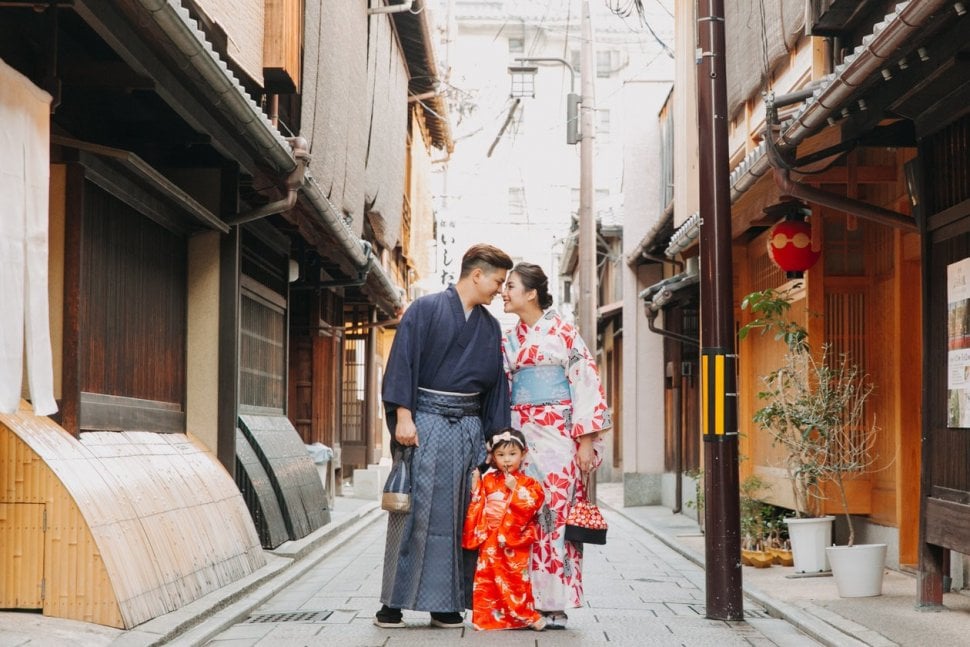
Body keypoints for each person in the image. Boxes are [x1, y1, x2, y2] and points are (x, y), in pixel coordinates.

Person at [375, 244, 514, 629]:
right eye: (498, 281)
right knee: (414, 511)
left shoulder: (489, 327)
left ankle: (447, 603)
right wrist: (403, 414)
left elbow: (496, 388)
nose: (500, 290)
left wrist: (495, 437)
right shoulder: (425, 309)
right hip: (426, 422)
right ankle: (392, 602)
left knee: (461, 518)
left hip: (468, 428)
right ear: (476, 275)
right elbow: (402, 360)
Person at [501, 262, 611, 629]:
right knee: (520, 514)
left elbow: (585, 384)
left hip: (558, 437)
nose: (504, 292)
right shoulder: (508, 339)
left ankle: (555, 604)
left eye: (511, 286)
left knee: (557, 517)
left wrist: (584, 442)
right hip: (518, 440)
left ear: (531, 293)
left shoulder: (563, 332)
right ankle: (523, 600)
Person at [462, 428, 547, 631]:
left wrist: (516, 489)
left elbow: (534, 503)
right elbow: (479, 503)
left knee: (515, 580)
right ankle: (488, 619)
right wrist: (476, 487)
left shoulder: (529, 483)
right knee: (487, 579)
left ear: (523, 454)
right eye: (500, 455)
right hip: (490, 537)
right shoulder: (489, 480)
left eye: (512, 454)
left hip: (513, 538)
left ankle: (527, 616)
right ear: (493, 457)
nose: (507, 460)